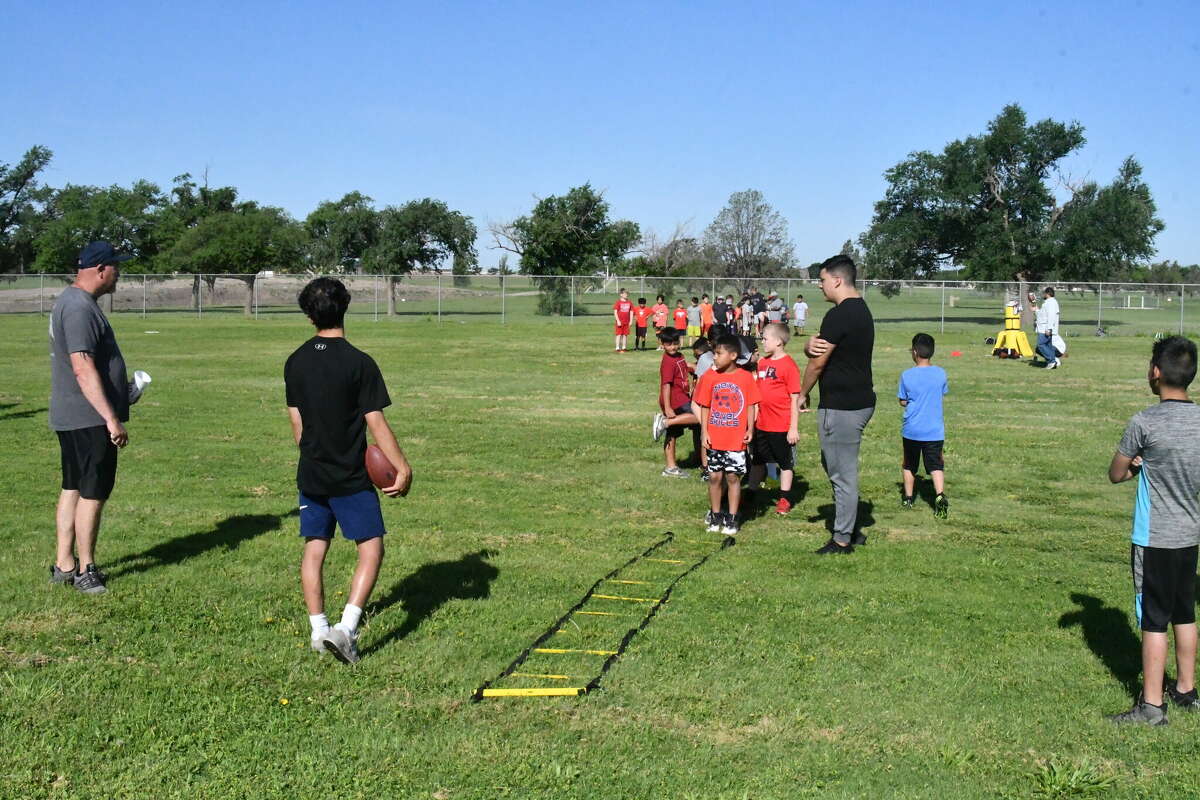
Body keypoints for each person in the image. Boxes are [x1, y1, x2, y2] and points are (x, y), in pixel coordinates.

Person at [285, 277, 413, 664]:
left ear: (309, 315)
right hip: (350, 476)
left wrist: (312, 454)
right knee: (371, 548)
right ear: (346, 307)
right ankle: (346, 628)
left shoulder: (295, 361)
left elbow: (297, 422)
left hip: (311, 472)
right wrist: (402, 467)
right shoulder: (360, 362)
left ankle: (318, 629)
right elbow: (376, 423)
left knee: (314, 549)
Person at [1106, 336, 1200, 725]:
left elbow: (1115, 473)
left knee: (1153, 618)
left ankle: (1151, 706)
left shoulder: (1144, 421)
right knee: (1185, 613)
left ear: (1156, 373)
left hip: (1154, 538)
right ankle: (1186, 690)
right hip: (1190, 536)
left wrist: (1136, 465)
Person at [48, 241, 135, 595]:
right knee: (92, 492)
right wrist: (110, 418)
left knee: (73, 487)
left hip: (75, 415)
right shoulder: (80, 308)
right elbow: (82, 367)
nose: (119, 274)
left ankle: (64, 564)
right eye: (116, 267)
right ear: (101, 269)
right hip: (87, 419)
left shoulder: (74, 302)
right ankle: (86, 569)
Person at [800, 255, 875, 555]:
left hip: (842, 406)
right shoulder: (860, 310)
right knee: (837, 467)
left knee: (841, 473)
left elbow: (817, 364)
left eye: (822, 280)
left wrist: (801, 393)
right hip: (858, 402)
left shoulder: (840, 314)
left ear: (838, 280)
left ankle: (843, 538)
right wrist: (807, 346)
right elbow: (817, 347)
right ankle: (849, 525)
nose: (820, 285)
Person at [692, 335, 761, 536]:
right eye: (714, 353)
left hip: (735, 438)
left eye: (719, 353)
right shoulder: (709, 377)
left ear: (733, 355)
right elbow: (704, 406)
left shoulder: (745, 377)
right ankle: (715, 514)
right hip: (715, 437)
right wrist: (704, 432)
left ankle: (732, 516)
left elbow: (750, 404)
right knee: (714, 477)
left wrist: (750, 429)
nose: (714, 357)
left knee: (732, 477)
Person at [747, 323, 802, 515]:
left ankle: (784, 498)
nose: (762, 341)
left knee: (785, 462)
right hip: (762, 423)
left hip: (781, 425)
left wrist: (793, 428)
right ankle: (751, 492)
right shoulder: (763, 362)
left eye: (765, 338)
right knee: (758, 460)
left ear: (778, 341)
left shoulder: (789, 366)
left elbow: (795, 400)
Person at [897, 333, 949, 517]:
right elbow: (942, 393)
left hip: (912, 429)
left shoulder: (906, 375)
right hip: (934, 430)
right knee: (936, 465)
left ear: (915, 352)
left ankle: (908, 498)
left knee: (909, 464)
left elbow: (903, 401)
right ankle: (940, 495)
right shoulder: (941, 373)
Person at [652, 329, 701, 477]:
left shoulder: (679, 356)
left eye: (675, 343)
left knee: (673, 432)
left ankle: (671, 467)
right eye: (669, 344)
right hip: (675, 400)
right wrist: (667, 407)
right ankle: (665, 422)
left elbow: (682, 368)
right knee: (700, 417)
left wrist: (691, 368)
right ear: (662, 344)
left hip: (682, 397)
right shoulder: (667, 361)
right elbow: (666, 385)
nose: (673, 347)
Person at [1034, 286, 1061, 368]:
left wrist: (1049, 329)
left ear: (1048, 294)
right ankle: (1053, 361)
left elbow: (1051, 316)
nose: (1043, 295)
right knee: (1048, 346)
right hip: (1043, 328)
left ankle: (1052, 361)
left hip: (1045, 329)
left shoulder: (1051, 303)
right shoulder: (1047, 303)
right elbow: (1043, 315)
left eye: (1044, 293)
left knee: (1040, 345)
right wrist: (1036, 310)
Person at [612, 288, 634, 353]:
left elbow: (631, 311)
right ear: (621, 294)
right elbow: (615, 312)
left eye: (627, 293)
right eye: (625, 293)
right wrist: (618, 321)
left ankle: (624, 347)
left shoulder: (629, 302)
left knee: (625, 335)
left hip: (626, 322)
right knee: (618, 335)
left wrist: (631, 320)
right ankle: (617, 348)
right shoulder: (618, 302)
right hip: (620, 322)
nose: (626, 295)